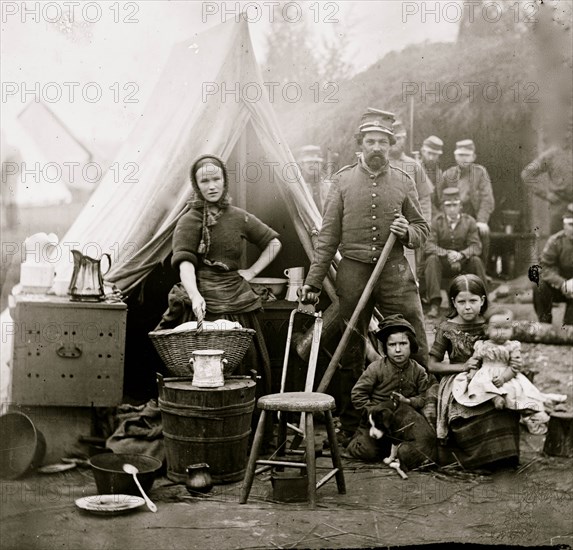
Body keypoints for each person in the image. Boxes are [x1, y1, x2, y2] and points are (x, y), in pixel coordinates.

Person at [299, 108, 430, 447]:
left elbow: (422, 229)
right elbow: (327, 238)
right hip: (353, 270)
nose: (376, 147)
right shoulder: (342, 181)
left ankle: (419, 415)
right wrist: (313, 282)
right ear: (359, 145)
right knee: (349, 345)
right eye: (370, 141)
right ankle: (351, 422)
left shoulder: (404, 181)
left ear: (391, 146)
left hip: (394, 269)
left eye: (382, 142)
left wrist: (407, 232)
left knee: (412, 331)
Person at [159, 154, 282, 388]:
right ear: (196, 185)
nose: (212, 186)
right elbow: (185, 266)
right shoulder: (189, 221)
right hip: (203, 303)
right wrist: (194, 296)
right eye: (204, 182)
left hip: (237, 302)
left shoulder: (238, 217)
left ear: (225, 180)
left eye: (216, 179)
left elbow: (274, 242)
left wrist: (252, 272)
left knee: (245, 366)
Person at [428, 274, 520, 469]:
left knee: (503, 404)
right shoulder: (446, 327)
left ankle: (504, 456)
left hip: (492, 374)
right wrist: (462, 366)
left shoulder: (491, 323)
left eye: (473, 301)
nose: (467, 306)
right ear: (453, 302)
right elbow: (432, 365)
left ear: (483, 300)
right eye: (461, 301)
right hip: (458, 379)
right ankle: (473, 459)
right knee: (472, 410)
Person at [346, 315, 435, 467]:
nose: (398, 350)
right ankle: (355, 441)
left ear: (411, 345)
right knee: (369, 452)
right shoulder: (376, 368)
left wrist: (408, 401)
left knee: (416, 448)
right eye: (392, 345)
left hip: (402, 426)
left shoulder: (418, 371)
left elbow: (423, 397)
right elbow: (357, 394)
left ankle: (392, 450)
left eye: (403, 343)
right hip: (377, 423)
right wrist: (374, 412)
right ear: (385, 347)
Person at [451, 307, 551, 434]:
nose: (501, 332)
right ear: (487, 329)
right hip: (485, 374)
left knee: (515, 390)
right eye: (497, 328)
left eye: (506, 328)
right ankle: (495, 398)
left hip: (505, 374)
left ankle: (520, 409)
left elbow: (515, 366)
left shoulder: (512, 346)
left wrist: (504, 377)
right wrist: (472, 373)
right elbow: (475, 361)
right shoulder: (482, 345)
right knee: (477, 384)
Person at [425, 187, 487, 318]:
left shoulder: (469, 221)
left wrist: (461, 255)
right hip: (444, 263)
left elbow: (476, 246)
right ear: (443, 207)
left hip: (464, 263)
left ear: (460, 206)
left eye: (455, 205)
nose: (452, 209)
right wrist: (447, 253)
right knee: (431, 260)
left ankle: (484, 303)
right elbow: (429, 245)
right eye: (448, 206)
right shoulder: (436, 222)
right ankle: (435, 304)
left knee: (476, 261)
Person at [437, 140, 495, 267]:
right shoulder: (448, 174)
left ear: (473, 157)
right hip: (451, 216)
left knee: (483, 233)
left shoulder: (480, 173)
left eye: (467, 155)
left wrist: (482, 220)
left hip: (473, 217)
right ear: (455, 156)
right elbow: (440, 198)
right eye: (460, 155)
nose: (463, 158)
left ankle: (481, 270)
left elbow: (487, 198)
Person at [533, 205, 573, 325]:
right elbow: (543, 267)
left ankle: (569, 325)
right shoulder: (555, 241)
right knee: (539, 285)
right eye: (571, 225)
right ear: (564, 225)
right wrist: (562, 283)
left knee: (569, 330)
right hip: (560, 286)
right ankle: (545, 326)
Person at [521, 142, 573, 234]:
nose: (567, 135)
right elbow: (527, 174)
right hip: (560, 207)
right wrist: (546, 194)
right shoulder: (551, 155)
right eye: (564, 130)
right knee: (559, 242)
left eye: (570, 130)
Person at [389, 121, 433, 222]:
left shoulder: (414, 165)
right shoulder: (377, 164)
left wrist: (424, 226)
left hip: (409, 226)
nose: (397, 142)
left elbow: (424, 199)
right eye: (395, 138)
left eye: (401, 138)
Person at [297, 145, 329, 213]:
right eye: (309, 162)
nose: (313, 166)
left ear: (321, 165)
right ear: (302, 165)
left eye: (316, 162)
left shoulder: (329, 186)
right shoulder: (297, 187)